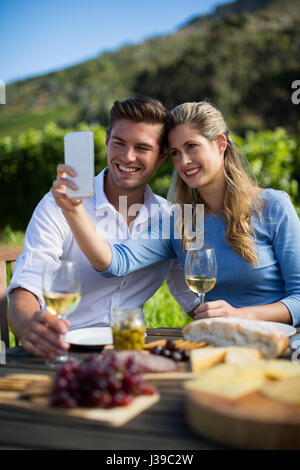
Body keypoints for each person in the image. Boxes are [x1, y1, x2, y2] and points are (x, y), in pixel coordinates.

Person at [52, 101, 300, 327]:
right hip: (221, 343)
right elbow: (114, 264)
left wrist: (243, 314)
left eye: (191, 147)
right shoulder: (182, 222)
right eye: (175, 153)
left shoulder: (273, 206)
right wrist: (73, 210)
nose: (184, 161)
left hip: (280, 343)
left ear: (220, 144)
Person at [7, 96, 199, 360]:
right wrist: (31, 325)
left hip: (130, 351)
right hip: (61, 351)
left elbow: (196, 299)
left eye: (142, 148)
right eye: (119, 143)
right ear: (108, 140)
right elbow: (25, 288)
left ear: (162, 155)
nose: (127, 156)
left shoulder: (169, 218)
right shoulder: (60, 203)